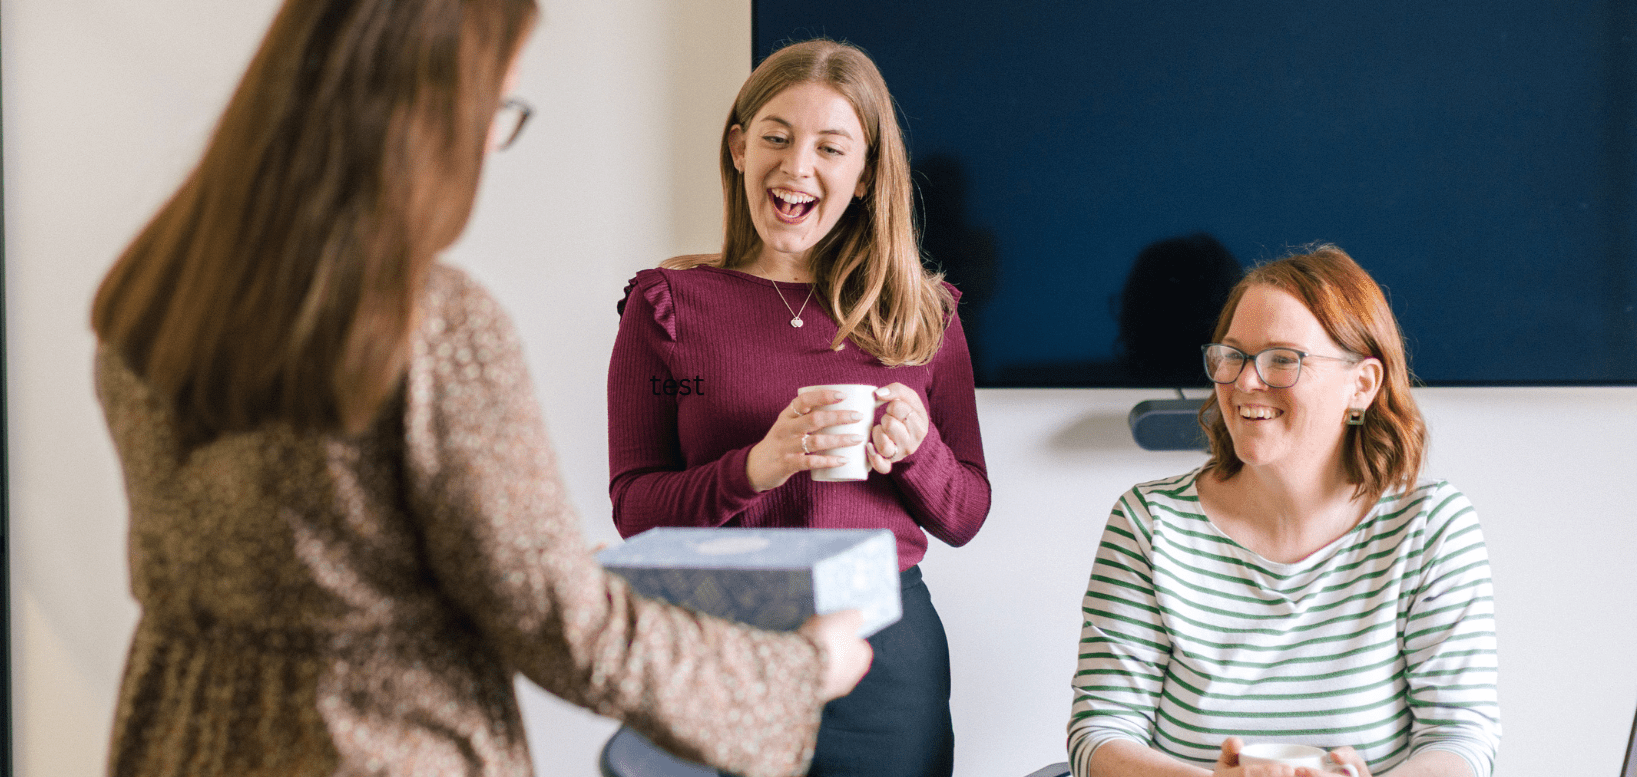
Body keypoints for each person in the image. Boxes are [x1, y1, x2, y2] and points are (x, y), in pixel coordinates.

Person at [89, 0, 872, 775]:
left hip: (179, 740)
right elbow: (563, 624)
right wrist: (798, 672)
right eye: (496, 106)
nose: (492, 146)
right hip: (372, 747)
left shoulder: (159, 294)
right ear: (423, 110)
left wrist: (546, 559)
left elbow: (323, 550)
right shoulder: (432, 322)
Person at [607, 39, 991, 777]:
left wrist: (918, 454)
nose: (796, 166)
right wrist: (756, 466)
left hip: (885, 653)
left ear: (866, 173)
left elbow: (967, 514)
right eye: (776, 138)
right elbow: (634, 511)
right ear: (739, 147)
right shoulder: (666, 306)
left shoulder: (924, 316)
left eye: (830, 147)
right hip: (716, 646)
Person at [1066, 245, 1500, 777]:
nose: (1246, 382)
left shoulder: (1432, 527)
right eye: (1232, 356)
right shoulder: (1149, 523)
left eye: (1282, 359)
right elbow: (1098, 737)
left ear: (1361, 385)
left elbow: (1461, 741)